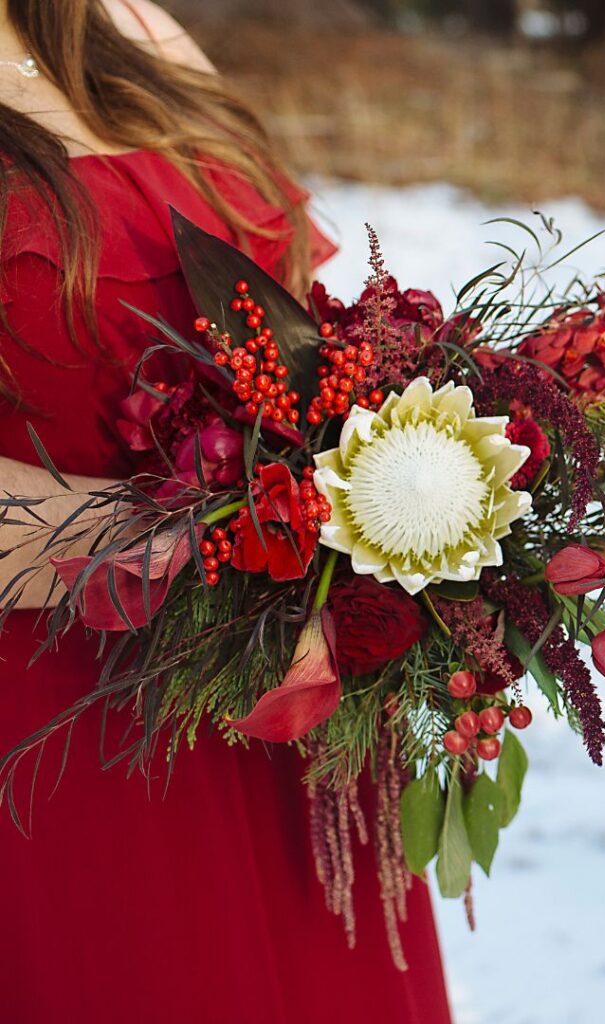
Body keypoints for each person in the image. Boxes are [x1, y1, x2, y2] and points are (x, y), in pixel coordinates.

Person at [0, 2, 453, 1021]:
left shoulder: (124, 28)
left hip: (288, 721)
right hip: (70, 756)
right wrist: (160, 540)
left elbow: (302, 325)